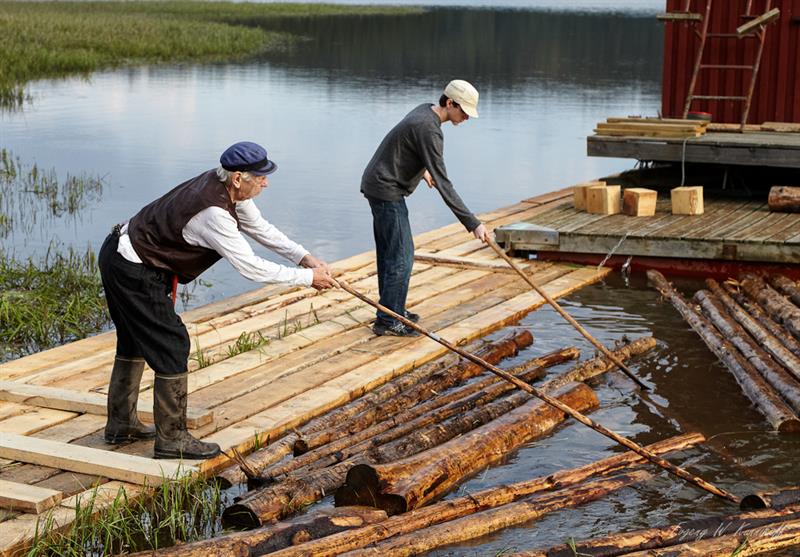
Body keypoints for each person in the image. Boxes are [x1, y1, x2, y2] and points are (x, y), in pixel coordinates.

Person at [98, 141, 336, 460]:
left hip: (126, 256)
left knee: (135, 342)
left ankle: (121, 425)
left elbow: (260, 229)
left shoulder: (226, 188)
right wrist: (308, 280)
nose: (266, 182)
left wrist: (304, 258)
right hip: (132, 266)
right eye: (260, 176)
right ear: (238, 177)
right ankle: (172, 440)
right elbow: (249, 267)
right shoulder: (213, 213)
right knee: (172, 344)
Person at [361, 79, 490, 337]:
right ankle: (387, 320)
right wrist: (472, 223)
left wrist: (421, 172)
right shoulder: (429, 129)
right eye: (464, 112)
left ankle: (392, 308)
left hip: (379, 183)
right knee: (402, 256)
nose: (466, 118)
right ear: (450, 103)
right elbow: (444, 182)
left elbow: (407, 146)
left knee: (391, 252)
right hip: (387, 190)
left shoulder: (425, 110)